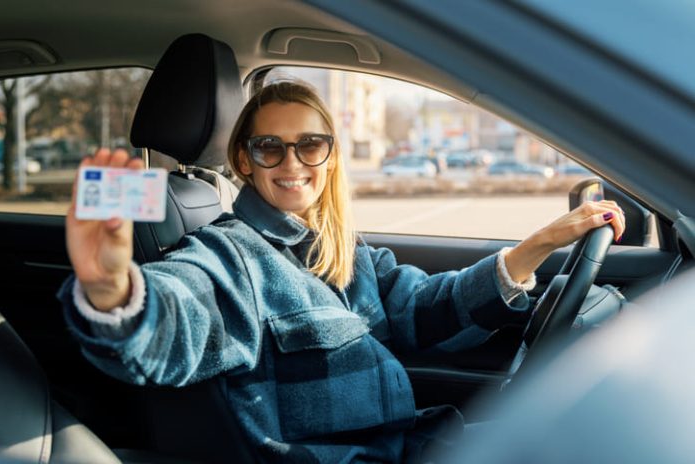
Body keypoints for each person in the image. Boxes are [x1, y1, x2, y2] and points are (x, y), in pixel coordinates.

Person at [58, 81, 625, 463]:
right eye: (269, 148)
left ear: (330, 155)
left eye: (310, 145)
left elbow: (426, 310)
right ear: (243, 162)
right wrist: (114, 290)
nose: (292, 163)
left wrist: (547, 239)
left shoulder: (341, 251)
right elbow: (182, 311)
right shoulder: (231, 255)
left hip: (411, 443)